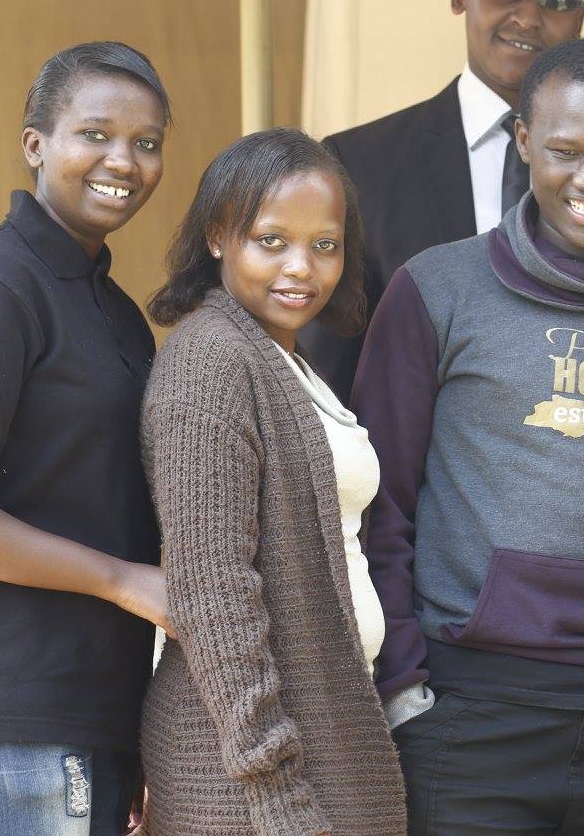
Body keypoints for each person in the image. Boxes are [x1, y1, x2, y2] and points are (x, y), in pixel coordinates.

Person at [353, 38, 584, 835]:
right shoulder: (435, 289)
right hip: (473, 716)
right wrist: (402, 688)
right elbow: (378, 504)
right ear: (523, 143)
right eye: (565, 152)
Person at [0, 41, 172, 835]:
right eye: (96, 134)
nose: (124, 161)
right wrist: (123, 581)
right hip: (13, 711)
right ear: (36, 144)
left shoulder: (114, 310)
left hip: (89, 709)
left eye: (147, 142)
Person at [137, 128, 405, 835]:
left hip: (318, 731)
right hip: (239, 773)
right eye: (272, 241)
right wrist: (272, 785)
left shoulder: (284, 361)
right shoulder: (211, 361)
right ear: (218, 236)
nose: (301, 268)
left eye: (325, 244)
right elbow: (213, 590)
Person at [301, 0, 584, 397]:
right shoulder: (358, 164)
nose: (528, 17)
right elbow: (324, 372)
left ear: (579, 20)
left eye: (557, 0)